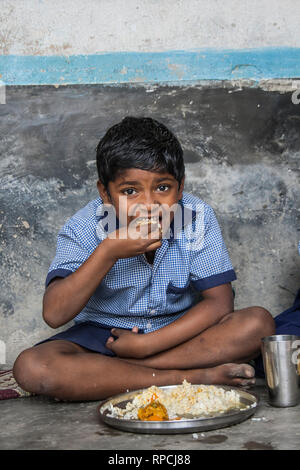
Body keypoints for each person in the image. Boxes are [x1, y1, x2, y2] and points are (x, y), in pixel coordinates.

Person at [13, 116, 275, 401]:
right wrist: (109, 250)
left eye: (162, 187)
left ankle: (120, 372)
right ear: (105, 193)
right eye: (129, 191)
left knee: (258, 324)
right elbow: (54, 314)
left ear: (181, 186)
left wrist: (147, 345)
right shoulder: (83, 227)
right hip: (105, 338)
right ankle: (194, 377)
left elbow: (220, 303)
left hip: (181, 335)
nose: (149, 205)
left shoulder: (196, 217)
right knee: (33, 367)